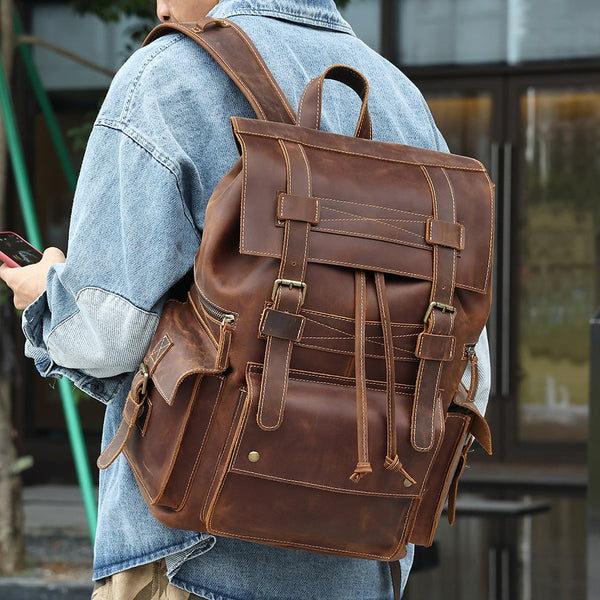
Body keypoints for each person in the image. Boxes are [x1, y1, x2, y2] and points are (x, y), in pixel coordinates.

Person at [0, 0, 492, 598]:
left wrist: (46, 297)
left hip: (191, 555)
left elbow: (107, 332)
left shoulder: (169, 74)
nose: (157, 3)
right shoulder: (401, 100)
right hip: (359, 565)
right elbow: (470, 375)